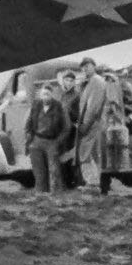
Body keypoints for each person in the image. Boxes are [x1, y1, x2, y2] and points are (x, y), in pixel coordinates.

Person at [75, 57, 116, 188]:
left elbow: (93, 106)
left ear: (93, 66)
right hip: (94, 123)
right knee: (92, 153)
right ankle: (96, 183)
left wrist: (86, 125)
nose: (85, 69)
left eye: (87, 66)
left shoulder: (96, 81)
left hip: (93, 123)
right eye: (83, 67)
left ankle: (92, 183)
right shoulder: (91, 82)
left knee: (86, 151)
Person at [25, 83, 72, 194]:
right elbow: (28, 124)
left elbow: (67, 127)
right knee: (38, 170)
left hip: (52, 141)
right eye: (43, 94)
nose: (45, 97)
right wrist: (29, 139)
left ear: (52, 95)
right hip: (36, 140)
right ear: (40, 95)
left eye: (48, 94)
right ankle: (41, 193)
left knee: (54, 170)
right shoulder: (36, 106)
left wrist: (58, 141)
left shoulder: (59, 107)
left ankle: (56, 194)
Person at [55, 68, 83, 187]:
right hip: (60, 130)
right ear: (63, 81)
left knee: (71, 156)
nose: (69, 82)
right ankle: (65, 182)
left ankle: (74, 182)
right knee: (61, 154)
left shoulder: (77, 96)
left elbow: (79, 114)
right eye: (67, 80)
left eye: (72, 80)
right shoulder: (59, 94)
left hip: (72, 130)